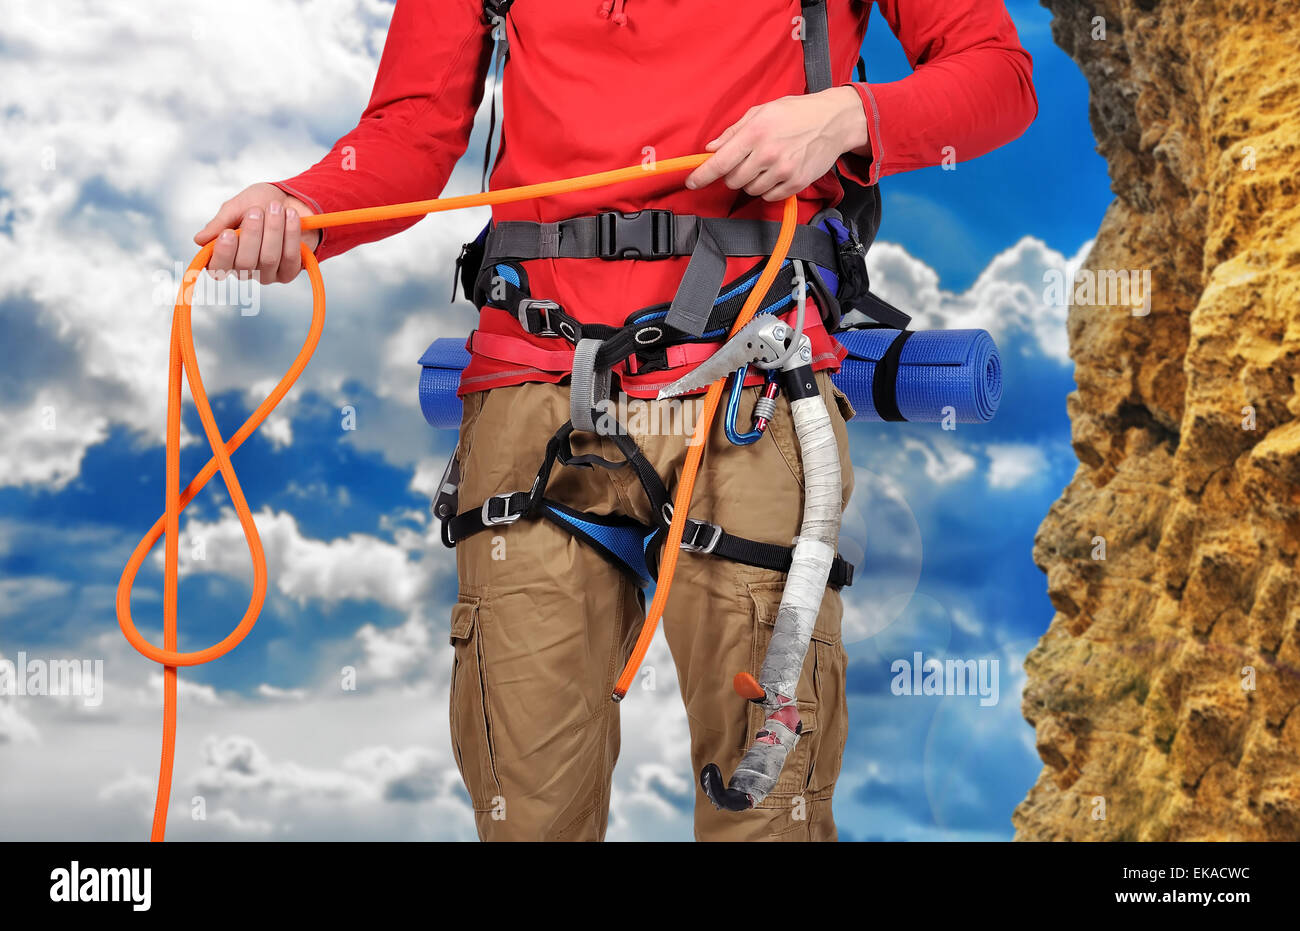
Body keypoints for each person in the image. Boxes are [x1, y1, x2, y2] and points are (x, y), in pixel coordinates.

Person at [196, 0, 1037, 841]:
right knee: (527, 816)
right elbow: (409, 129)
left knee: (767, 813)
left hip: (751, 380)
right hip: (533, 381)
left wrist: (845, 116)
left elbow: (999, 74)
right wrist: (297, 200)